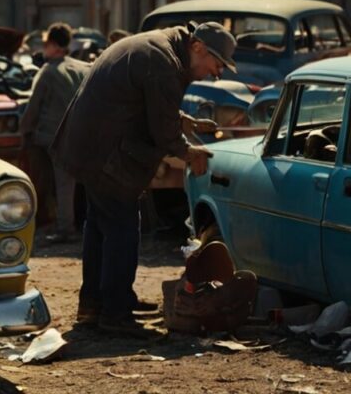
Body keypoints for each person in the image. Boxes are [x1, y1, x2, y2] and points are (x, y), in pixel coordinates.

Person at [51, 21, 235, 336]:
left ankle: (94, 305)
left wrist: (185, 122)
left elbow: (141, 99)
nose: (216, 74)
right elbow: (162, 131)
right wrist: (191, 153)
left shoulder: (160, 50)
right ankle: (115, 314)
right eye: (216, 65)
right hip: (104, 152)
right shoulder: (162, 62)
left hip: (90, 146)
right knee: (122, 231)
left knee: (99, 227)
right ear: (198, 47)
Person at [21, 22, 90, 242]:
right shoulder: (83, 68)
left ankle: (64, 228)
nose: (43, 48)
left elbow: (33, 107)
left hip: (54, 136)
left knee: (62, 182)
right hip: (82, 134)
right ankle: (82, 224)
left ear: (53, 45)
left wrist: (24, 132)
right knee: (79, 182)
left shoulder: (48, 72)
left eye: (45, 43)